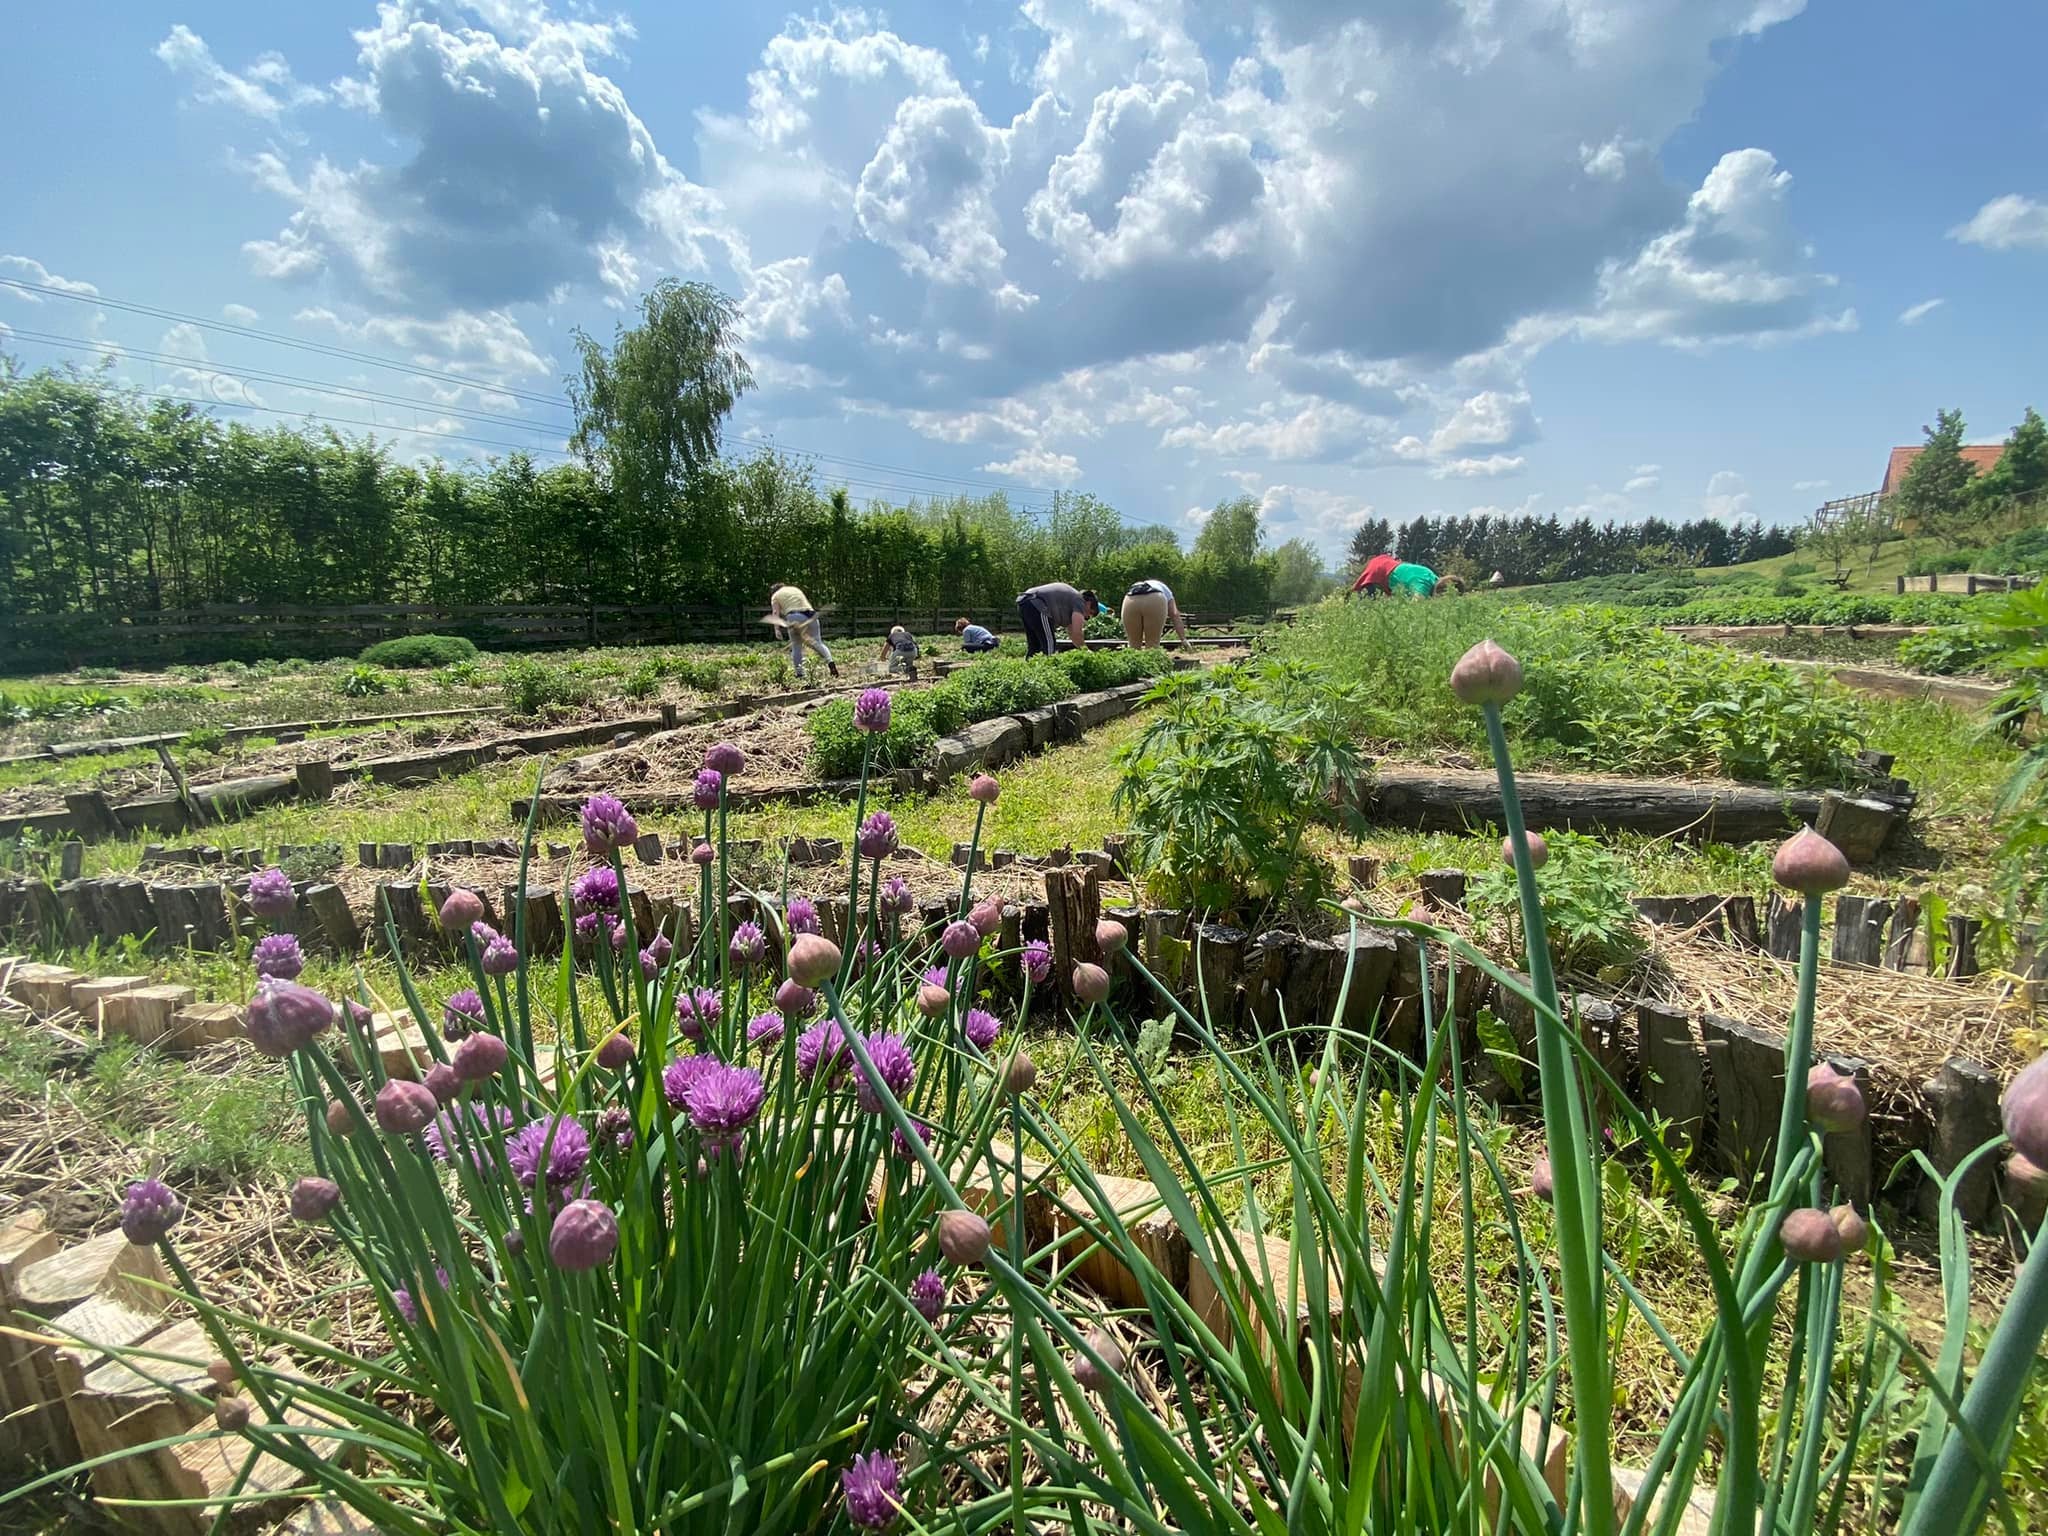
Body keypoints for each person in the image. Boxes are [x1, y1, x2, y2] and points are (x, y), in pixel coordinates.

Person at [768, 582, 838, 679]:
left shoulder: (775, 596)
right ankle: (830, 662)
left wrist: (776, 629)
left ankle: (800, 674)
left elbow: (775, 612)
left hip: (795, 616)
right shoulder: (794, 589)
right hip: (811, 615)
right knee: (818, 642)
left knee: (796, 646)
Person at [1015, 581, 1096, 657]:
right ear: (1088, 604)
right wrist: (1086, 651)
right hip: (1037, 604)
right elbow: (1077, 632)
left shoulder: (1072, 600)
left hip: (1024, 601)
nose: (1085, 619)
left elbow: (1072, 634)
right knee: (1049, 643)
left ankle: (1030, 670)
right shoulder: (1080, 601)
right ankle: (1049, 669)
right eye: (1087, 616)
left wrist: (1082, 649)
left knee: (1035, 645)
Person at [1119, 578, 1189, 649]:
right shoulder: (1168, 592)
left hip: (1131, 597)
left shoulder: (1145, 584)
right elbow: (1174, 614)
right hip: (1155, 598)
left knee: (1133, 645)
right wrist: (1183, 639)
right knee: (1152, 645)